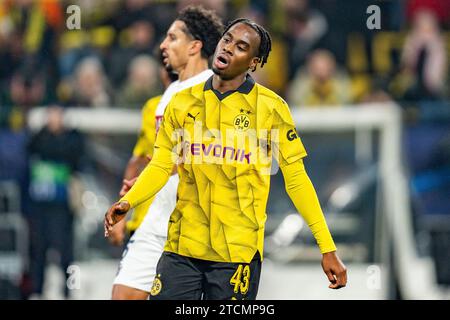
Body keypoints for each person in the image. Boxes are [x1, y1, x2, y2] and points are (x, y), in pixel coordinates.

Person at [105, 18, 347, 300]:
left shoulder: (271, 109)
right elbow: (160, 165)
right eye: (227, 39)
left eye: (241, 47)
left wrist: (326, 247)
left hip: (236, 253)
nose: (229, 48)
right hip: (182, 248)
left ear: (254, 62)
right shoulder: (182, 102)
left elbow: (297, 181)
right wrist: (129, 201)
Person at [109, 6, 224, 300]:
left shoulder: (215, 91)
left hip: (194, 225)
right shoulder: (171, 93)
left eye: (172, 38)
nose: (163, 45)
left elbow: (200, 154)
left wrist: (147, 179)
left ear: (195, 45)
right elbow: (154, 156)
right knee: (123, 295)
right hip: (158, 216)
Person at [27, 105, 84, 299]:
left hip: (63, 207)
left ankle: (70, 290)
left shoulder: (72, 138)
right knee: (38, 251)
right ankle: (37, 291)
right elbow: (31, 149)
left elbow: (73, 155)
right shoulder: (39, 138)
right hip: (41, 206)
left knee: (67, 253)